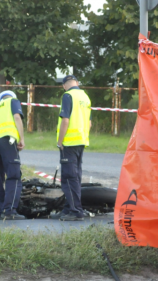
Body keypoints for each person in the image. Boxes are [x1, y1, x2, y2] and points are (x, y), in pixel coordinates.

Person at [52, 75, 91, 221]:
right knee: (76, 176)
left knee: (68, 177)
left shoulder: (68, 96)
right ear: (77, 83)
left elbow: (65, 120)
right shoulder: (85, 97)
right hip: (81, 141)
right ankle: (69, 208)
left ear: (64, 85)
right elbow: (90, 123)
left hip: (69, 142)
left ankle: (75, 211)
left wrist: (60, 141)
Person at [0, 90, 26, 220]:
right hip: (8, 140)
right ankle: (10, 211)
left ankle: (0, 210)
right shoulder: (13, 101)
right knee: (14, 175)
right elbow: (17, 117)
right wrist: (22, 138)